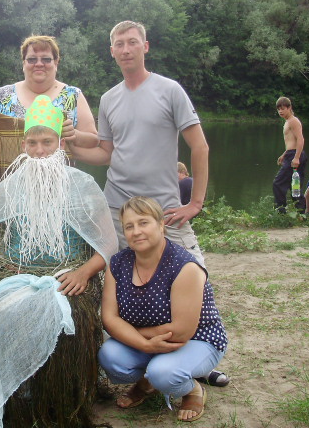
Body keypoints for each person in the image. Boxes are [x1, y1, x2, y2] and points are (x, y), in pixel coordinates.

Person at [0, 98, 118, 427]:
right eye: (32, 143)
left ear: (60, 144)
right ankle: (19, 398)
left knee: (70, 316)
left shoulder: (83, 187)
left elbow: (108, 243)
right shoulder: (10, 187)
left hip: (68, 278)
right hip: (15, 277)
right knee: (0, 313)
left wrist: (85, 271)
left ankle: (62, 400)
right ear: (23, 145)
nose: (39, 150)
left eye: (46, 142)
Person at [70, 20, 229, 387]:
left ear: (146, 46)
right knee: (126, 286)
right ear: (112, 51)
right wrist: (69, 146)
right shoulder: (109, 98)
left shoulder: (169, 90)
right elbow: (107, 152)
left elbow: (199, 146)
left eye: (132, 42)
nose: (125, 49)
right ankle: (147, 361)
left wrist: (197, 202)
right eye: (118, 44)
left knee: (197, 281)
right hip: (117, 209)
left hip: (165, 211)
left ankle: (196, 357)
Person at [99, 196, 227, 423]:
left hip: (196, 340)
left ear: (160, 225)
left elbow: (180, 331)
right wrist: (145, 345)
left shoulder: (183, 266)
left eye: (143, 223)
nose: (136, 231)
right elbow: (109, 318)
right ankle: (149, 382)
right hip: (149, 340)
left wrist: (132, 333)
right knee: (110, 357)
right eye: (129, 226)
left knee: (163, 373)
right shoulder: (118, 263)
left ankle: (192, 389)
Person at [0, 35, 98, 212]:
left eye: (46, 59)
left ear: (56, 62)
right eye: (32, 59)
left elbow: (93, 140)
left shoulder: (72, 95)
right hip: (11, 193)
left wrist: (74, 135)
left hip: (58, 194)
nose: (39, 63)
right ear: (23, 63)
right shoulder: (5, 95)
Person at [272, 96, 307, 213]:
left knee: (278, 183)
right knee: (294, 186)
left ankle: (281, 211)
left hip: (295, 155)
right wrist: (284, 154)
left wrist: (296, 157)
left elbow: (300, 139)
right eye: (278, 109)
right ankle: (301, 213)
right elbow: (291, 142)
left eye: (283, 108)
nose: (280, 111)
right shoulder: (288, 121)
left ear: (289, 107)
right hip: (290, 154)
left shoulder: (293, 121)